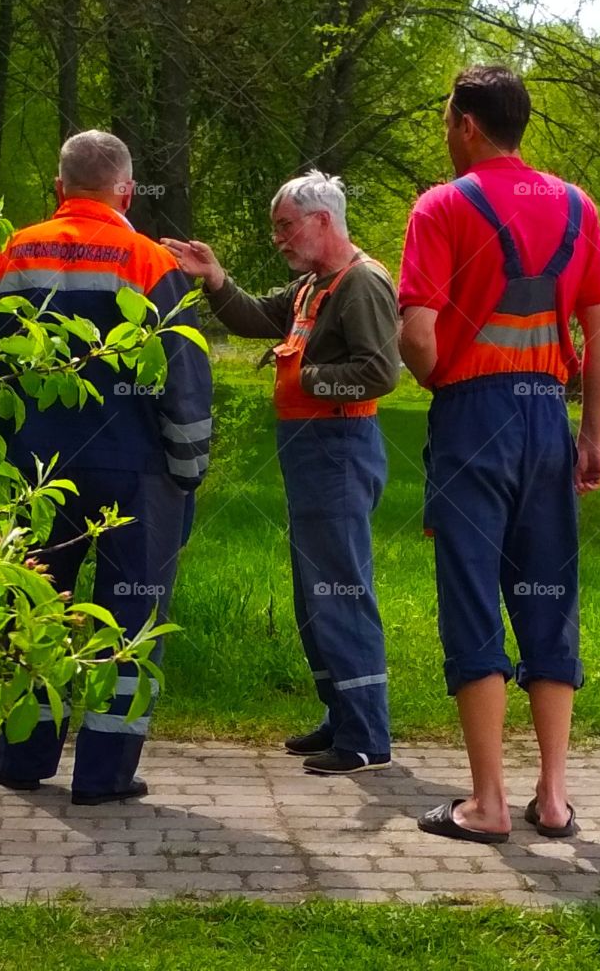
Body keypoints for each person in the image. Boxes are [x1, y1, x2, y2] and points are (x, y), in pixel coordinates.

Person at [398, 65, 600, 843]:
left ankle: (486, 805)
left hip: (471, 417)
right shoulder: (575, 206)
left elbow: (417, 335)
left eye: (446, 118)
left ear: (465, 125)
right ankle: (552, 799)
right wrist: (590, 437)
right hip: (546, 419)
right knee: (548, 599)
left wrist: (439, 380)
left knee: (471, 599)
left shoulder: (441, 207)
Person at [0, 130, 212, 805]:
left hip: (36, 470)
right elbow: (183, 378)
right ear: (127, 191)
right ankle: (104, 774)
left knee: (32, 608)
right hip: (135, 471)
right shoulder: (150, 261)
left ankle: (22, 758)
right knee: (129, 620)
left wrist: (5, 449)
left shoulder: (12, 253)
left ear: (58, 187)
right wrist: (189, 471)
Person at [163, 170, 400, 774]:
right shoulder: (309, 288)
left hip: (341, 449)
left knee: (342, 588)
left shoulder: (361, 283)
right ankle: (341, 712)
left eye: (285, 227)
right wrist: (214, 277)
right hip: (312, 452)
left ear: (322, 221)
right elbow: (250, 316)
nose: (279, 240)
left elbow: (380, 372)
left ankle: (367, 737)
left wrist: (306, 378)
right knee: (315, 591)